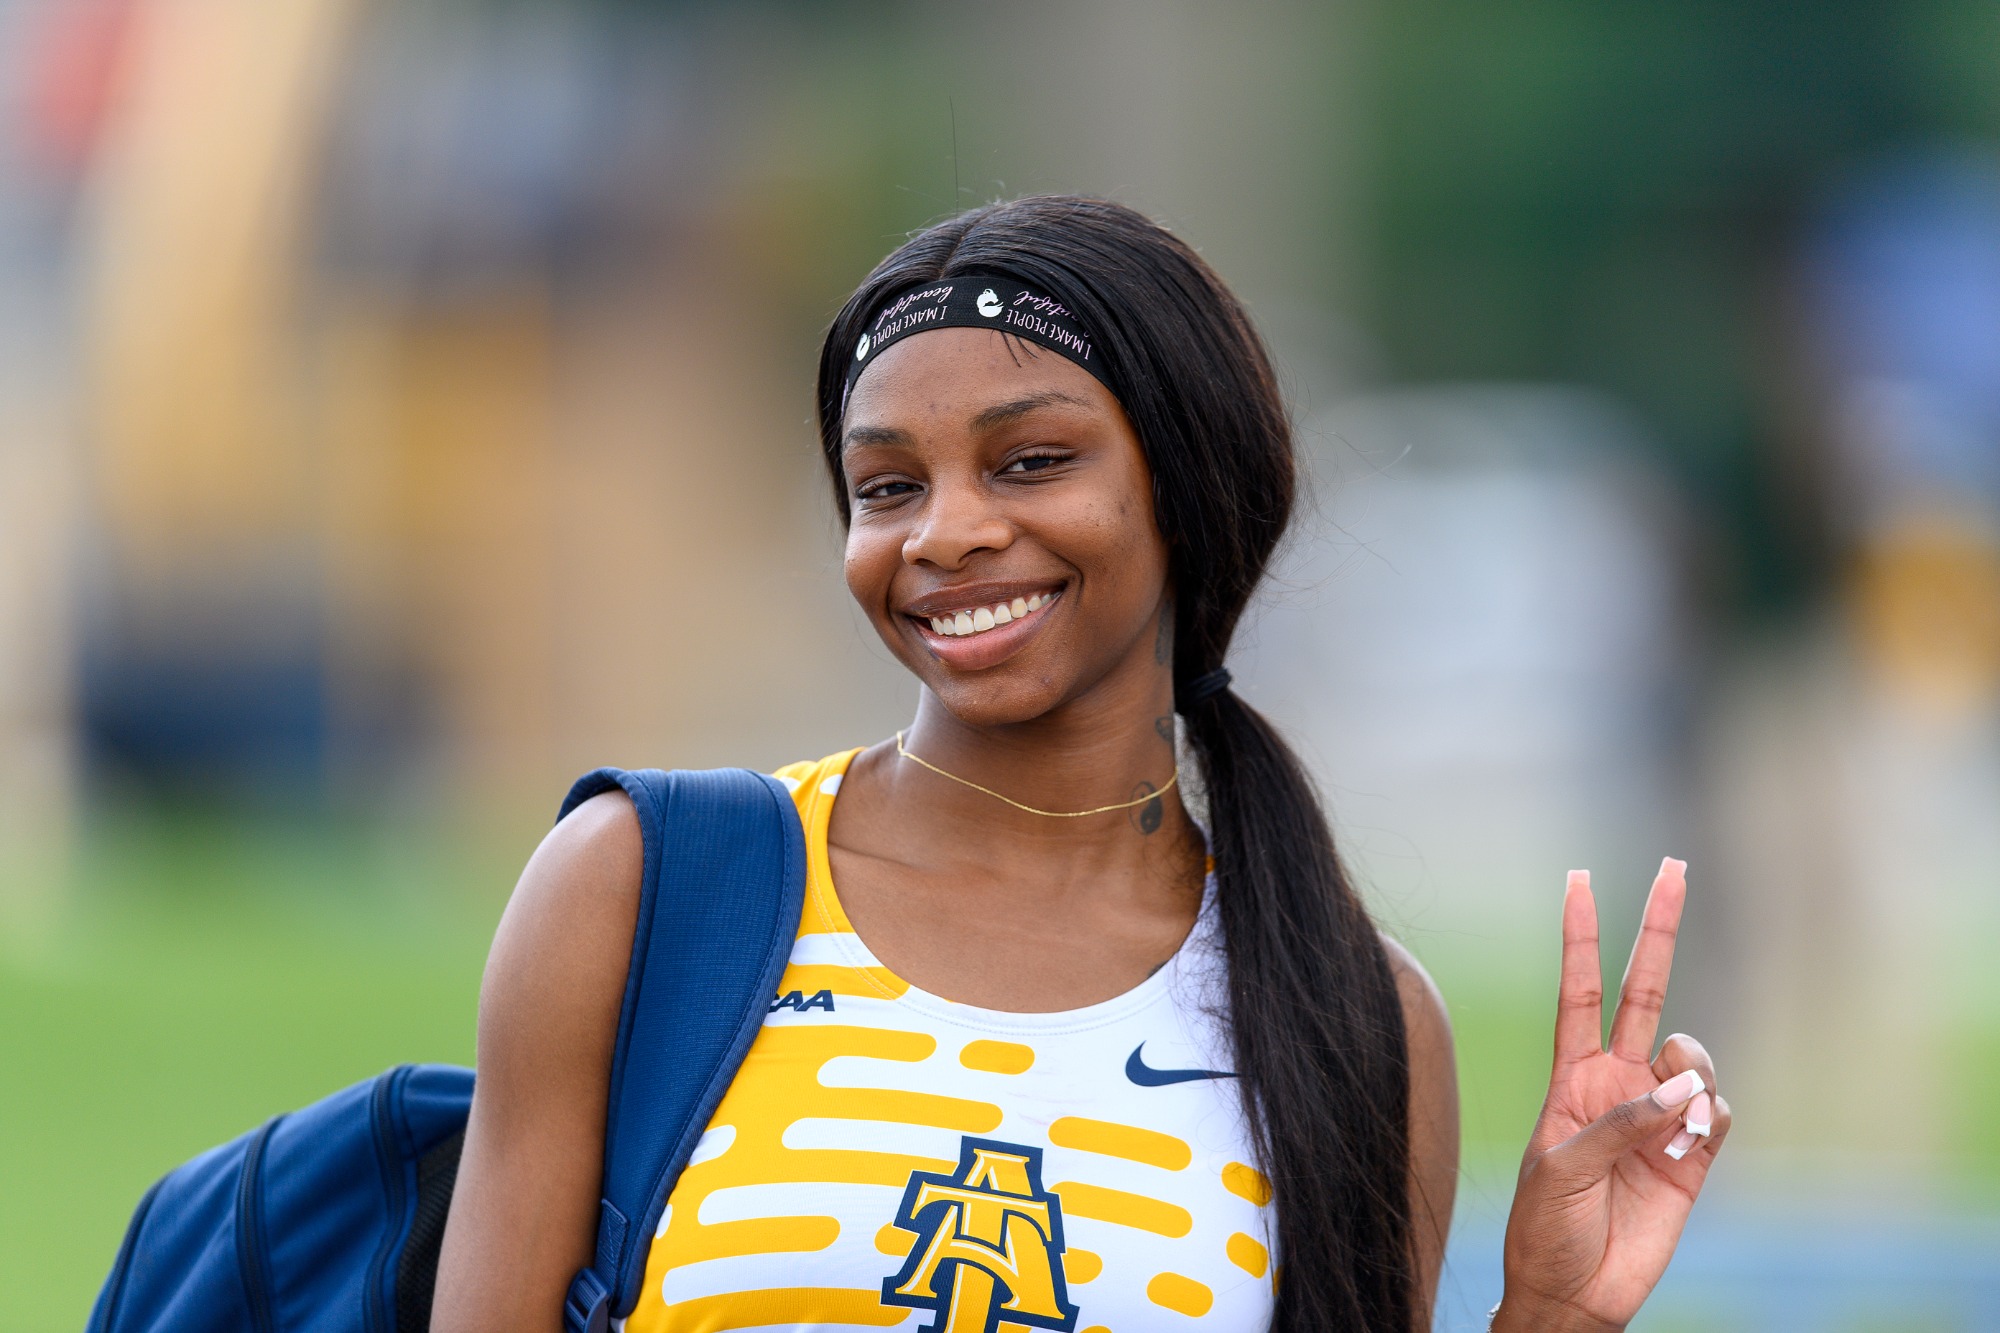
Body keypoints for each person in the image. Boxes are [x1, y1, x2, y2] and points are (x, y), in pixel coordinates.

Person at [431, 195, 1730, 1332]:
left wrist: (1552, 1315)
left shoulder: (1357, 1017)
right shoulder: (646, 894)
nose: (945, 532)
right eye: (886, 486)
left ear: (1186, 487)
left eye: (1031, 461)